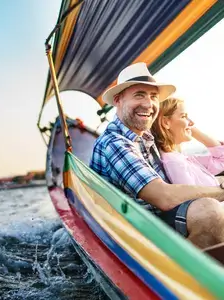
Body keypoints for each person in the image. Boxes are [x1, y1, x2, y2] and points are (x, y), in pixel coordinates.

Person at [90, 62, 224, 249]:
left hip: (157, 220)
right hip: (135, 233)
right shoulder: (114, 143)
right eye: (139, 95)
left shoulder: (145, 137)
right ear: (118, 100)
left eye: (153, 97)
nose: (148, 104)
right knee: (208, 211)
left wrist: (189, 126)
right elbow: (163, 196)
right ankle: (181, 276)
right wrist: (221, 192)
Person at [151, 97, 224, 187]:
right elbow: (192, 199)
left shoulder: (183, 158)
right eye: (184, 116)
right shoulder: (174, 162)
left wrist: (188, 128)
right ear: (166, 122)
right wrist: (187, 128)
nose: (192, 122)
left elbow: (222, 158)